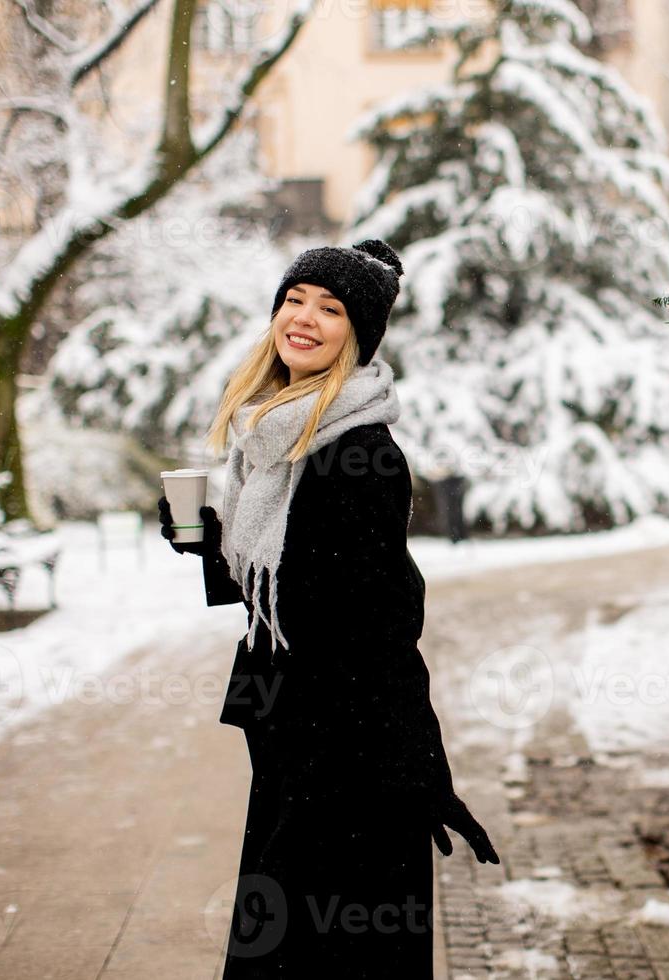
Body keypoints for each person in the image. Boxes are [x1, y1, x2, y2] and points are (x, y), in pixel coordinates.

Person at [156, 239, 499, 978]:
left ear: (358, 335)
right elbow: (292, 588)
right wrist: (211, 549)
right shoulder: (277, 437)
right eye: (294, 299)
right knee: (296, 941)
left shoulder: (356, 452)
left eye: (331, 308)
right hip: (293, 732)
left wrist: (422, 769)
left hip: (345, 748)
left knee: (319, 948)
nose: (303, 318)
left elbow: (383, 622)